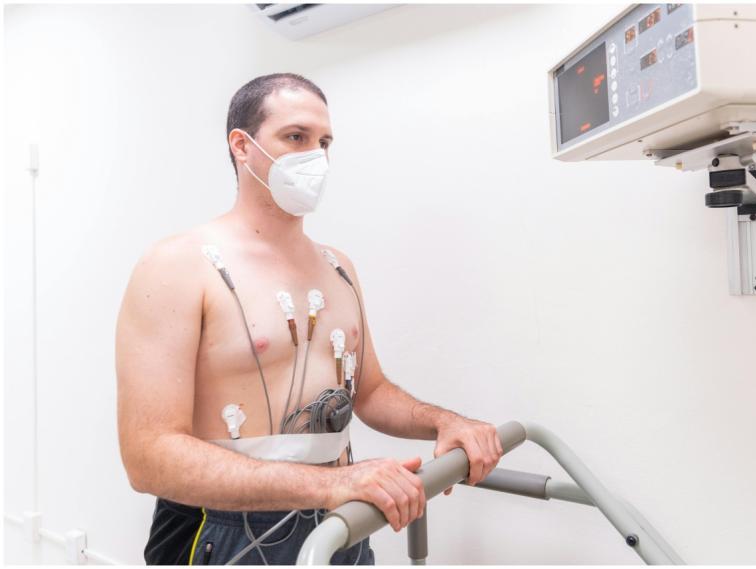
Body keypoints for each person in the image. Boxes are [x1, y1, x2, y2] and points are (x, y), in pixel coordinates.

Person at [115, 73, 503, 565]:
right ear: (242, 145)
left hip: (341, 517)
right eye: (296, 137)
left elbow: (369, 391)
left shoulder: (337, 267)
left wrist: (447, 423)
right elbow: (148, 456)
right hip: (223, 528)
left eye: (325, 142)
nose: (315, 157)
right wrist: (329, 484)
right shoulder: (177, 266)